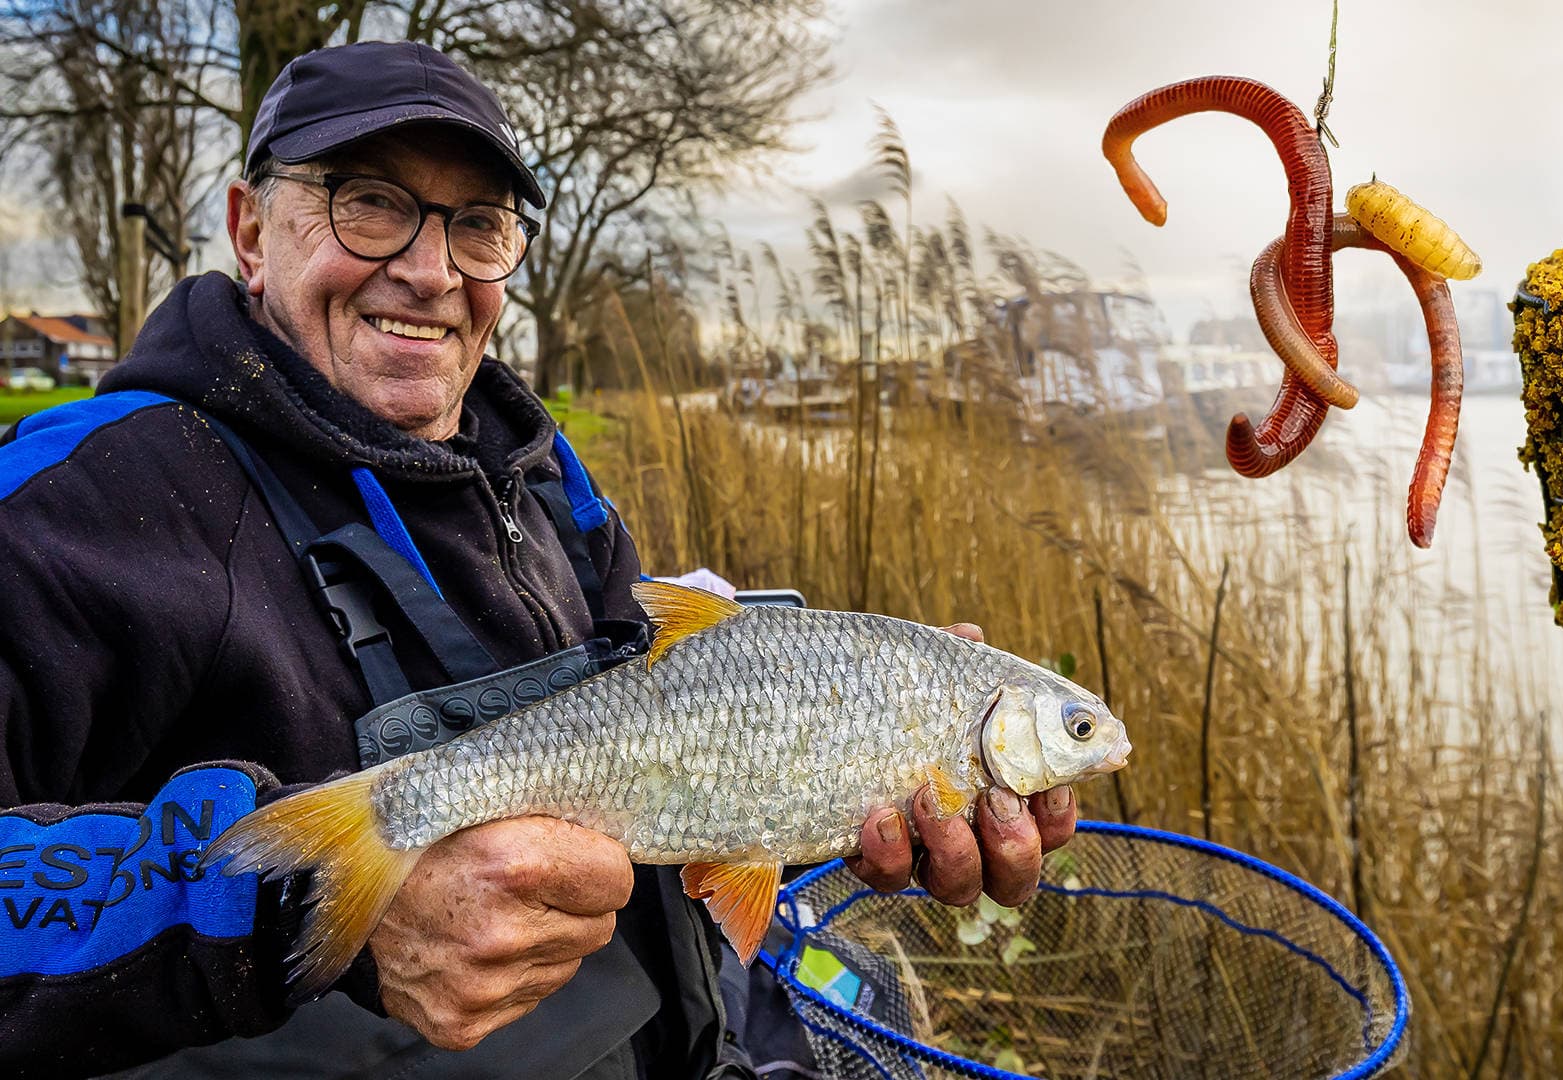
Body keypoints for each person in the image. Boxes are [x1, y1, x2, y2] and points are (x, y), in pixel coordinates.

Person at [0, 40, 1076, 1079]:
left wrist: (835, 759)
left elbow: (651, 771)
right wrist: (289, 908)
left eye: (477, 226)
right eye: (368, 203)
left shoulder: (537, 466)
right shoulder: (80, 499)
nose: (429, 272)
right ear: (249, 228)